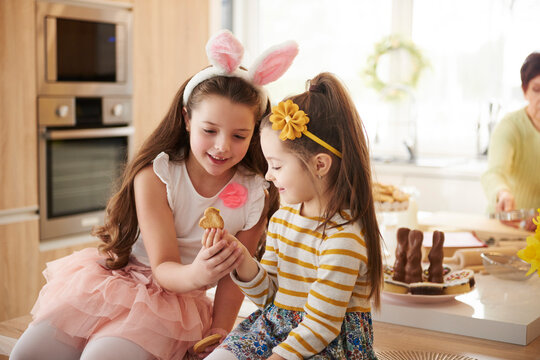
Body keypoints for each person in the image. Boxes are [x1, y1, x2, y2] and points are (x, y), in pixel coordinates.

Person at [10, 30, 298, 360]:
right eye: (209, 130)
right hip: (118, 281)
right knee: (28, 355)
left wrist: (220, 329)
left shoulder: (253, 193)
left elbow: (236, 275)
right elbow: (162, 266)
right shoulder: (156, 175)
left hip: (174, 306)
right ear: (187, 119)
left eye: (239, 135)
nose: (222, 146)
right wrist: (199, 274)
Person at [205, 72, 383, 360]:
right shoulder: (282, 221)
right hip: (275, 329)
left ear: (320, 164)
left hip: (329, 344)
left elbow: (321, 326)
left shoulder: (343, 240)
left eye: (276, 165)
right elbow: (271, 298)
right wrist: (241, 259)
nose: (267, 174)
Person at [481, 52, 540, 231]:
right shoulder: (510, 127)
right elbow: (494, 173)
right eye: (537, 90)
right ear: (524, 91)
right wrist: (503, 193)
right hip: (504, 227)